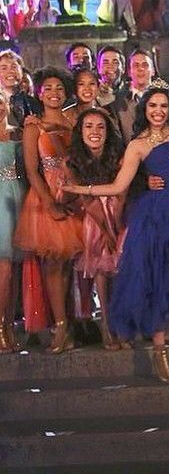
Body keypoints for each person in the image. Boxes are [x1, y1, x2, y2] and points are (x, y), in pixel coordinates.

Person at [64, 86, 169, 383]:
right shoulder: (137, 145)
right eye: (151, 106)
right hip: (156, 216)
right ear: (144, 109)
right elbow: (119, 186)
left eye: (162, 105)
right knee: (160, 281)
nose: (157, 111)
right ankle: (161, 354)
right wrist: (80, 189)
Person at [13, 67, 84, 353]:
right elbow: (32, 170)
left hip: (74, 194)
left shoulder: (74, 121)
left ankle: (71, 322)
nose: (54, 93)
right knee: (53, 266)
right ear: (39, 93)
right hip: (46, 197)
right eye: (48, 88)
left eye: (59, 88)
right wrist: (50, 202)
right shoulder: (34, 126)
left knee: (69, 267)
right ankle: (61, 327)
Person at [67, 108, 125, 350]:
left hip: (118, 213)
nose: (95, 132)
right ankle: (105, 326)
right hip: (90, 217)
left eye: (100, 126)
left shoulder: (118, 155)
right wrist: (103, 225)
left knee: (121, 267)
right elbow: (81, 200)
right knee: (100, 264)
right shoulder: (72, 160)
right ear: (80, 131)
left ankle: (122, 325)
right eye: (89, 126)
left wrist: (116, 226)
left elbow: (121, 193)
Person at [0, 88, 25, 353]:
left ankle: (10, 325)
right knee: (4, 268)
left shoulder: (18, 133)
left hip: (19, 201)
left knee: (16, 269)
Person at [106, 49, 155, 143]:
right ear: (129, 71)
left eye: (145, 65)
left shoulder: (165, 98)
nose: (140, 69)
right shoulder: (117, 100)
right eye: (136, 65)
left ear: (152, 71)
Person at [0, 50, 39, 128]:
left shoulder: (32, 102)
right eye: (4, 68)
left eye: (14, 67)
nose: (10, 71)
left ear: (21, 71)